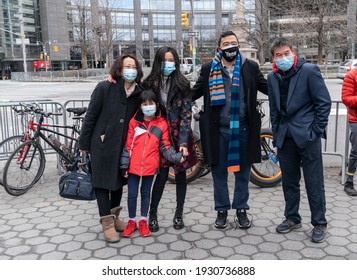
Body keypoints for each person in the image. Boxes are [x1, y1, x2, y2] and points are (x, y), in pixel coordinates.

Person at [192, 30, 267, 229]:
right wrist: (172, 93)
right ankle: (222, 210)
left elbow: (266, 86)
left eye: (233, 43)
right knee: (218, 173)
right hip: (217, 130)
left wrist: (287, 80)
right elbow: (195, 90)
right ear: (219, 48)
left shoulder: (249, 66)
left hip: (243, 128)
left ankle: (241, 209)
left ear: (238, 46)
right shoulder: (209, 68)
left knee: (242, 172)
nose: (230, 46)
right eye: (226, 43)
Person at [267, 37, 331, 243]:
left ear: (293, 53)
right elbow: (275, 110)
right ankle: (292, 217)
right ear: (273, 59)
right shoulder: (272, 77)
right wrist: (276, 136)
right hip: (285, 138)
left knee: (314, 182)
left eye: (286, 53)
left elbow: (323, 104)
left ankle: (319, 222)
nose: (283, 58)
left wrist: (315, 131)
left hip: (307, 137)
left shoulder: (309, 71)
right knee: (289, 182)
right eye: (278, 55)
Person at [79, 54, 143, 243]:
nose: (130, 69)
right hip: (102, 143)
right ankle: (106, 223)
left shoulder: (140, 92)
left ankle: (114, 218)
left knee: (117, 182)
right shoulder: (105, 87)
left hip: (124, 146)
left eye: (133, 66)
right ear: (119, 69)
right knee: (101, 183)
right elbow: (90, 116)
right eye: (126, 66)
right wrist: (84, 144)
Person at [144, 47, 197, 232]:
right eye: (165, 60)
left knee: (181, 176)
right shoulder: (149, 83)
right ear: (158, 62)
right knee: (161, 177)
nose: (169, 64)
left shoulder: (182, 83)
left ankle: (179, 213)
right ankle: (153, 214)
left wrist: (183, 143)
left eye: (172, 60)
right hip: (158, 136)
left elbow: (186, 114)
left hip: (178, 136)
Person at [120, 89, 185, 238]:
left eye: (151, 104)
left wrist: (176, 157)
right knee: (132, 194)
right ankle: (131, 221)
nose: (148, 107)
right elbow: (128, 145)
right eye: (144, 104)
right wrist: (124, 165)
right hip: (133, 167)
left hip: (150, 166)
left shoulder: (161, 124)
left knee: (145, 194)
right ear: (140, 106)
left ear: (156, 104)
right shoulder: (134, 122)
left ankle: (143, 220)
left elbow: (165, 146)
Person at [341, 67, 357, 196]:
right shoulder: (352, 75)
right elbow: (346, 99)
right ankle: (349, 183)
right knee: (356, 152)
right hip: (356, 120)